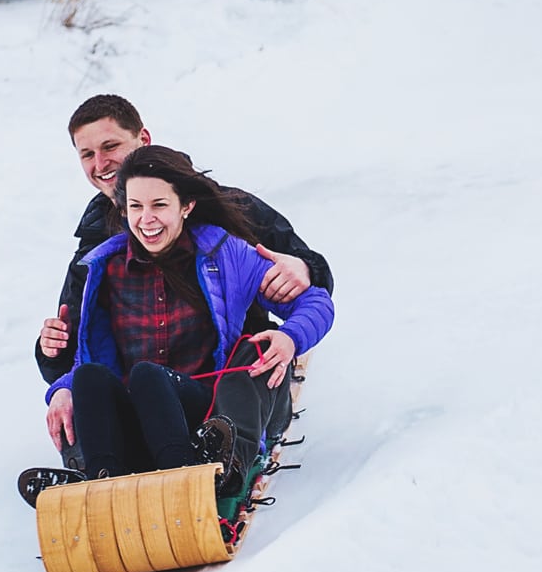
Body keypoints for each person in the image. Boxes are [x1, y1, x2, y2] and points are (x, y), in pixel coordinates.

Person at [23, 145, 334, 510]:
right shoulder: (104, 268)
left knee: (150, 376)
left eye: (159, 205)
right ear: (123, 211)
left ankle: (193, 474)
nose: (147, 219)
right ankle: (100, 483)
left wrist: (290, 336)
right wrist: (62, 386)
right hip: (144, 416)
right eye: (136, 207)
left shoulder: (225, 255)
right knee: (91, 377)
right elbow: (91, 354)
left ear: (185, 206)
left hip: (209, 416)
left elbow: (316, 303)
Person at [35, 94, 333, 404]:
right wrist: (52, 350)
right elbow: (78, 346)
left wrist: (306, 267)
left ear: (143, 139)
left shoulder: (219, 207)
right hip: (141, 396)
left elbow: (314, 285)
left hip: (230, 384)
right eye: (87, 154)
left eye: (110, 147)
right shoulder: (95, 241)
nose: (100, 163)